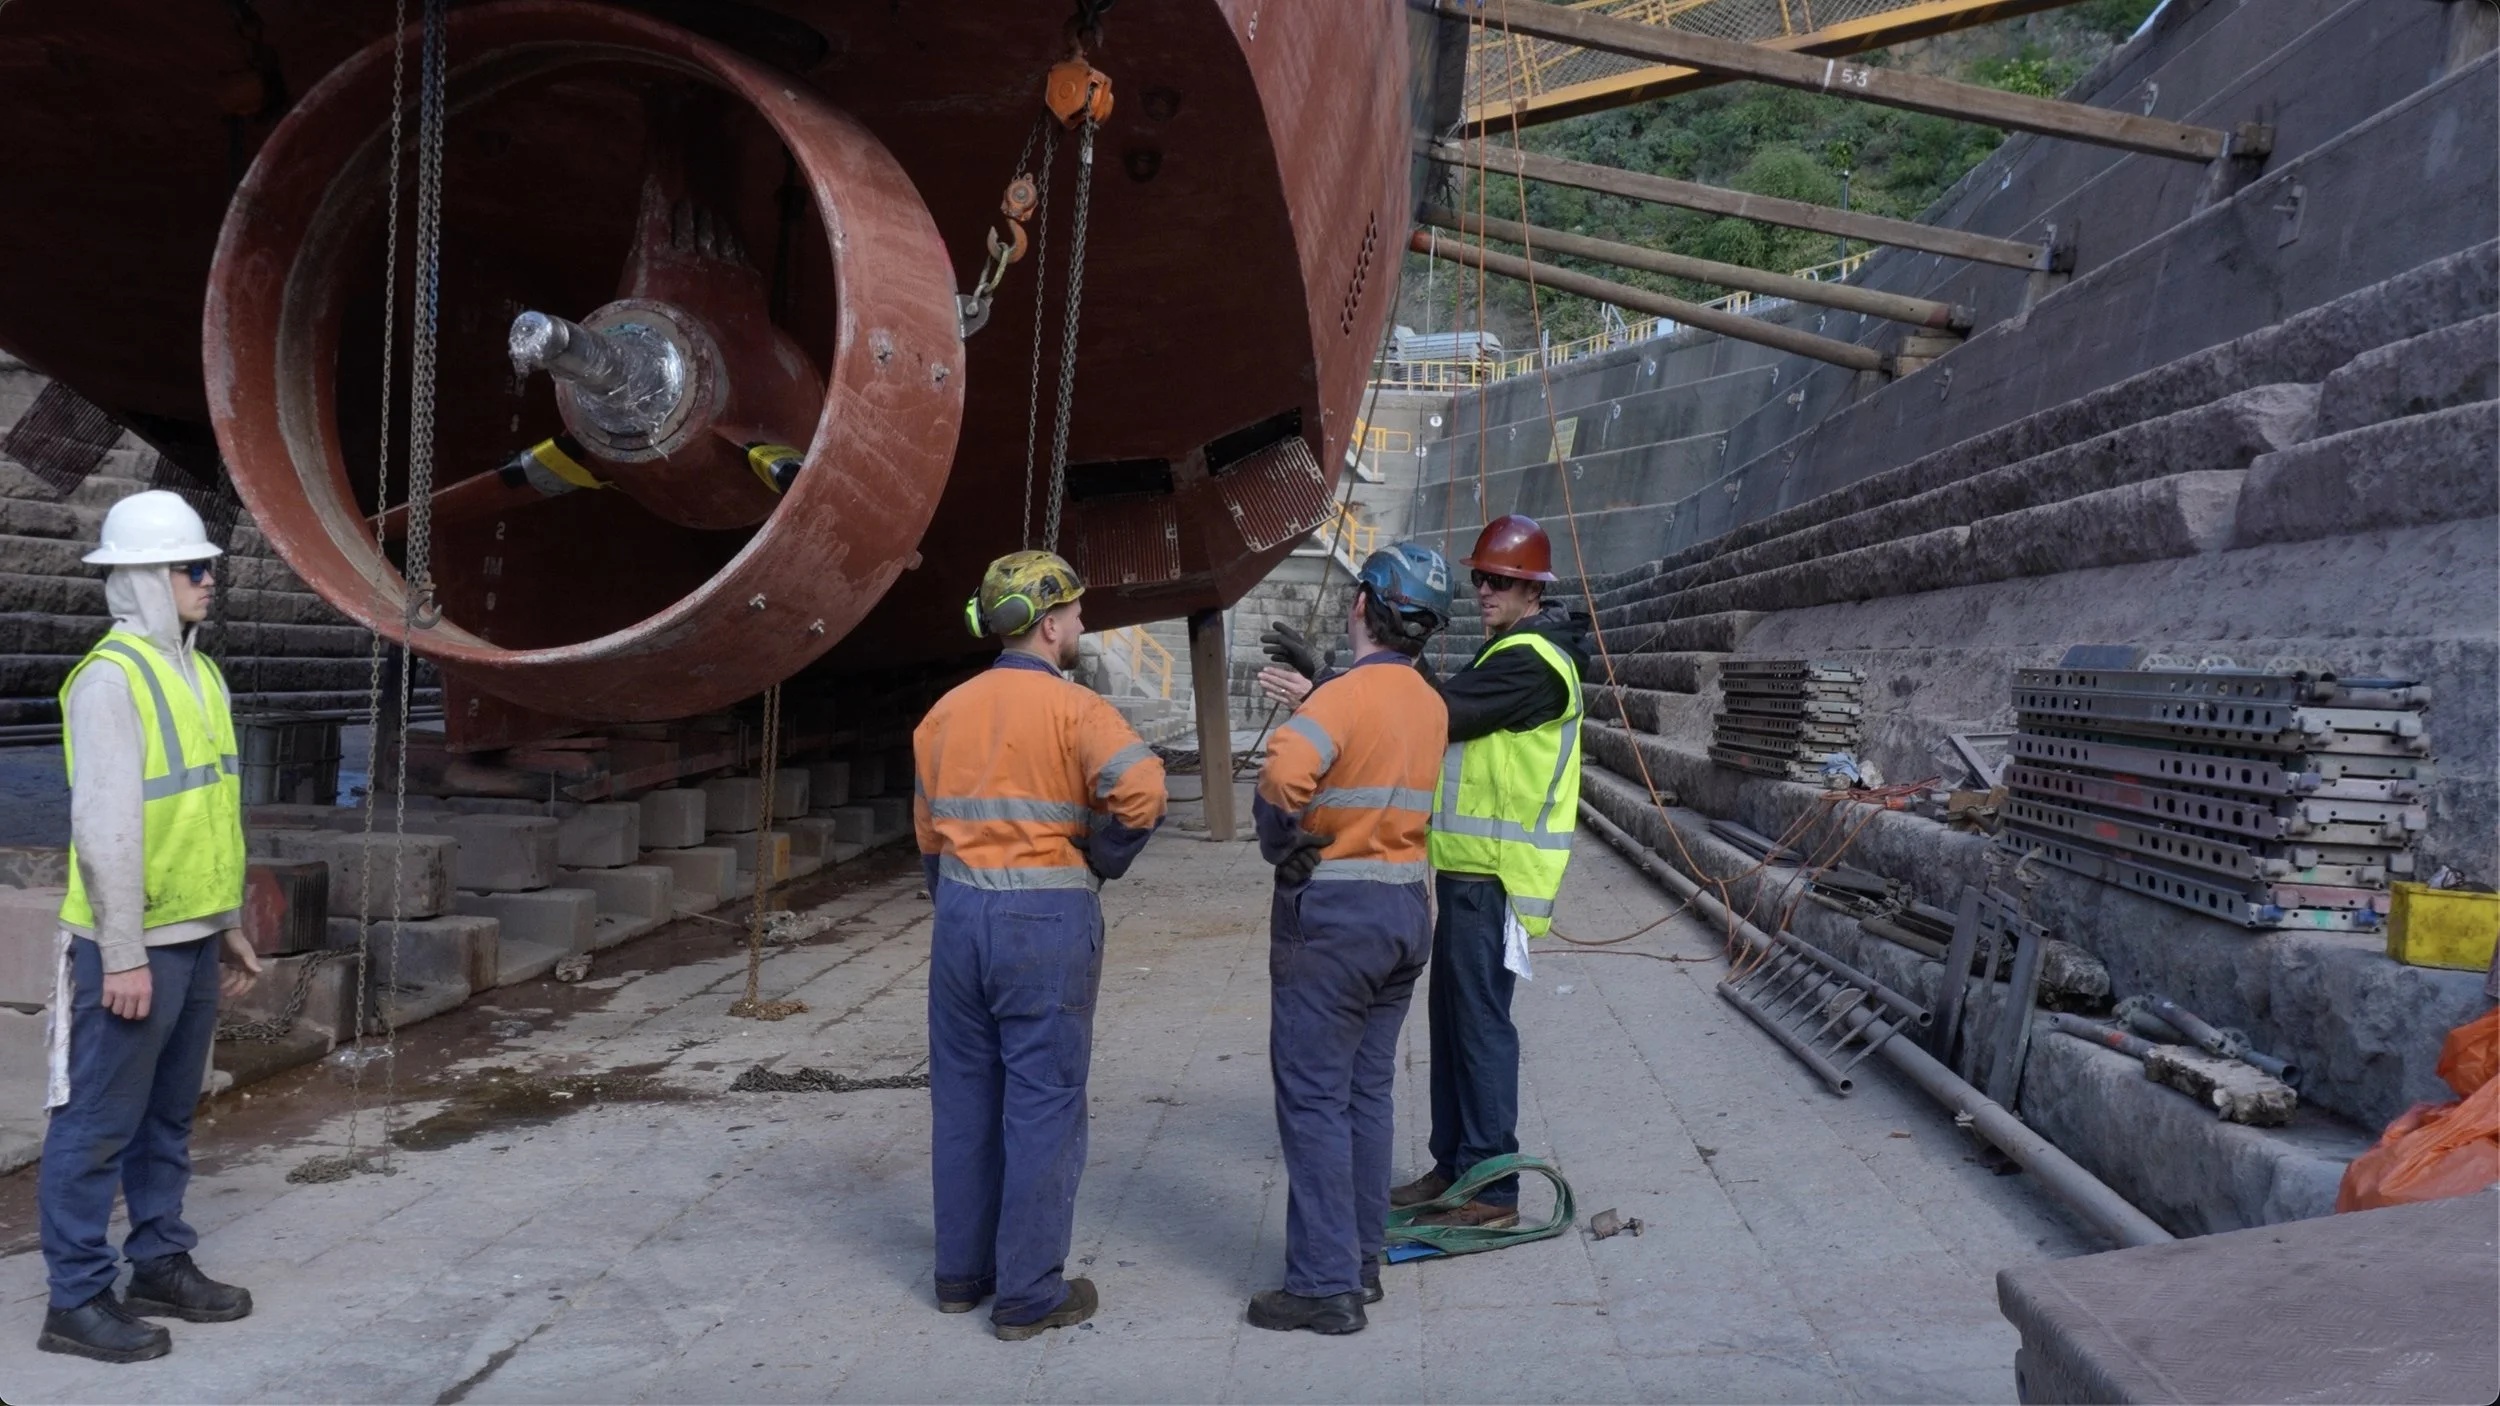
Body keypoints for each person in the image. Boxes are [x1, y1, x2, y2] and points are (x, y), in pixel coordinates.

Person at [1262, 513, 1585, 1232]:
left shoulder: (1533, 661)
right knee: (1452, 1022)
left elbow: (1435, 712)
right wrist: (1341, 680)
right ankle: (1455, 1162)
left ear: (1533, 590)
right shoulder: (1512, 650)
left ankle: (1494, 1188)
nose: (1485, 589)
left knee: (1479, 1027)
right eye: (1480, 577)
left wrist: (1328, 686)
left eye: (1500, 580)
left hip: (1499, 877)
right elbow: (1419, 700)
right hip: (1468, 873)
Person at [912, 550, 1167, 1341]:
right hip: (1044, 924)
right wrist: (1103, 859)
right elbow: (1144, 790)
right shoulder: (1078, 710)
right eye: (1078, 613)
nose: (1084, 624)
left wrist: (958, 894)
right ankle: (1027, 1296)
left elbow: (927, 831)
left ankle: (960, 1276)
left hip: (959, 919)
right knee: (1043, 1103)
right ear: (1049, 625)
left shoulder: (943, 712)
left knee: (962, 1100)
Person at [38, 490, 262, 1364]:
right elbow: (105, 828)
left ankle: (158, 1258)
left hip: (192, 938)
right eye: (192, 567)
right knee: (95, 1123)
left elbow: (210, 811)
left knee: (167, 1117)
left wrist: (228, 923)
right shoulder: (108, 681)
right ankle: (76, 1299)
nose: (211, 579)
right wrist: (123, 955)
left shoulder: (201, 672)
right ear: (142, 579)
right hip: (128, 951)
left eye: (209, 565)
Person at [1245, 544, 1451, 1337]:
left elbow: (1285, 770)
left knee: (1314, 1099)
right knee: (1367, 1093)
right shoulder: (1427, 702)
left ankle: (1325, 1285)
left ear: (1362, 604)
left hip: (1332, 919)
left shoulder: (1339, 699)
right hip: (1403, 910)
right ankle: (1361, 1261)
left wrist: (1279, 836)